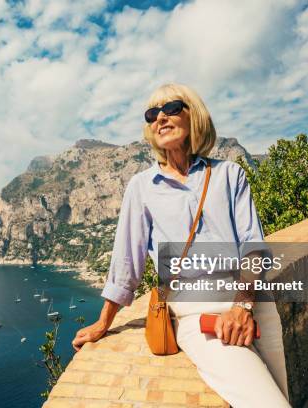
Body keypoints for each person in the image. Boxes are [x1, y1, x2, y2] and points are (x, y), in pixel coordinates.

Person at [71, 83, 290, 408]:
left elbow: (253, 246)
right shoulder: (142, 187)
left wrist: (243, 305)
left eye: (172, 108)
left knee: (281, 394)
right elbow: (125, 263)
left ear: (194, 116)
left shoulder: (229, 175)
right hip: (200, 315)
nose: (161, 117)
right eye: (152, 114)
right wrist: (104, 322)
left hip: (256, 305)